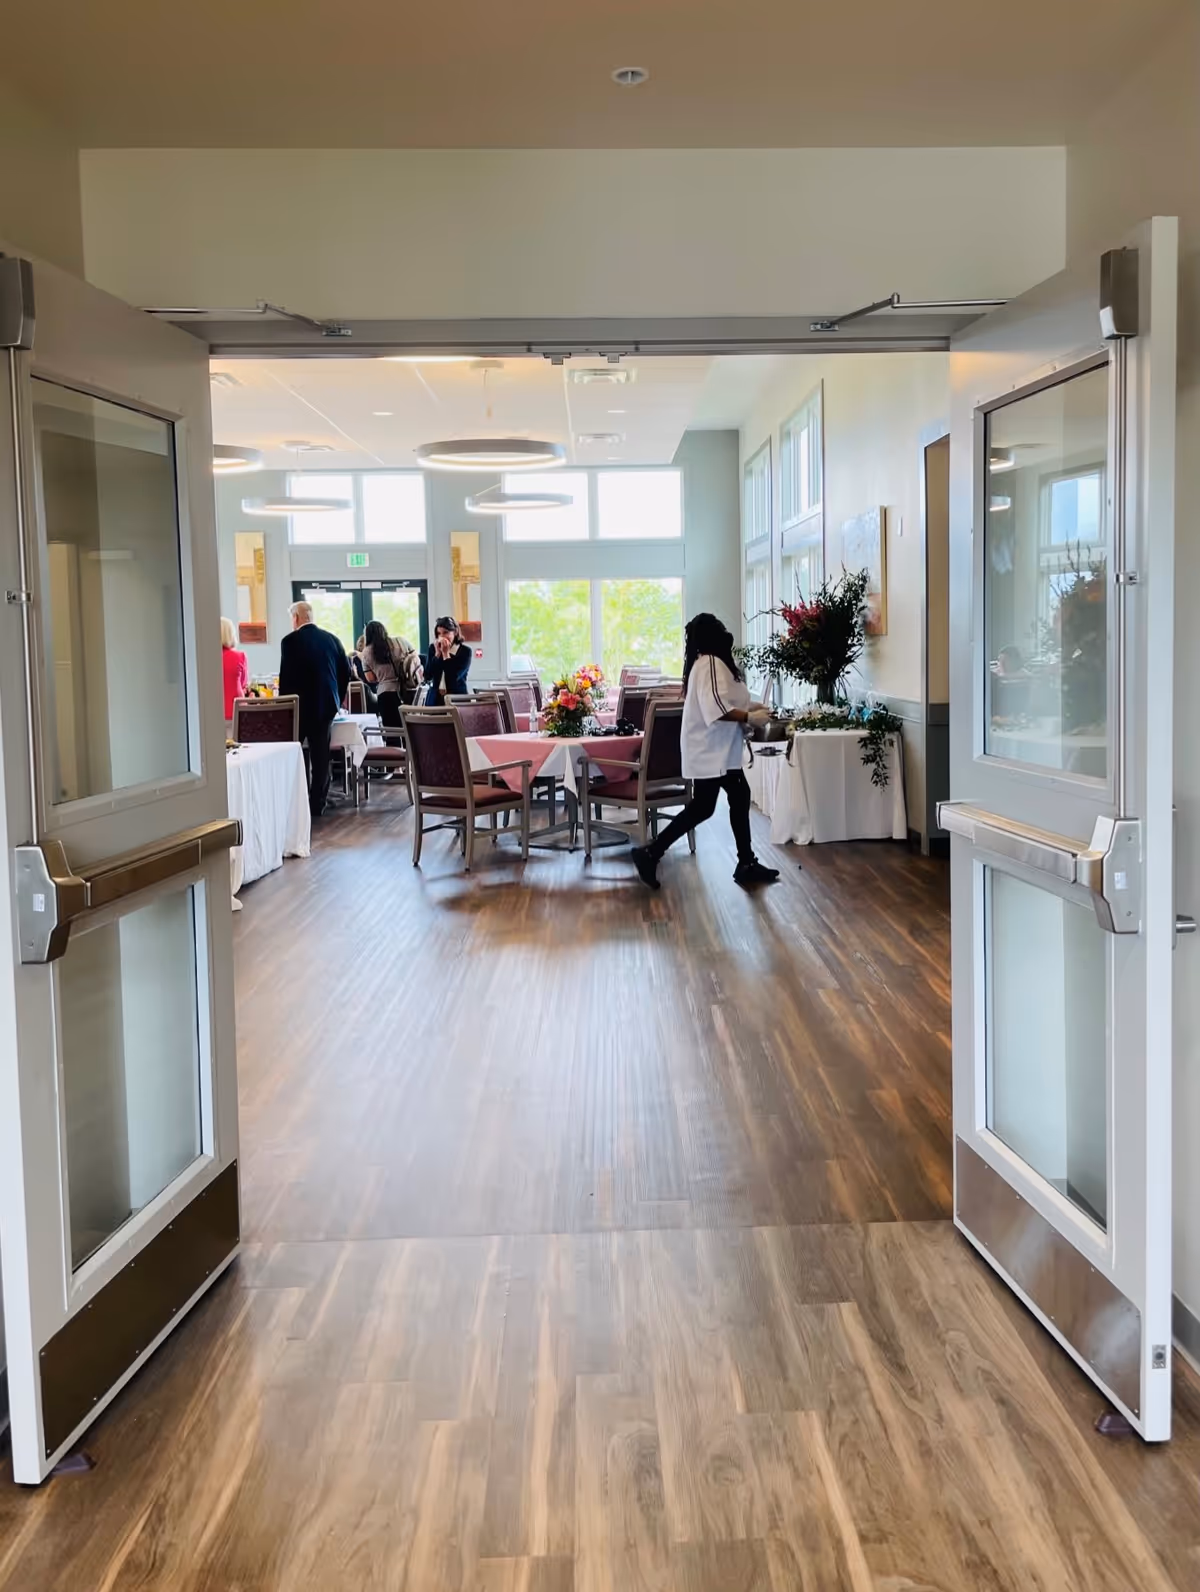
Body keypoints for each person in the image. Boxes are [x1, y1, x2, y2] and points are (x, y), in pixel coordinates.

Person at [630, 612, 779, 890]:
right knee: (708, 806)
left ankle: (744, 862)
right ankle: (651, 852)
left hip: (716, 751)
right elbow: (716, 709)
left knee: (724, 800)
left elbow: (723, 701)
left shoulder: (707, 663)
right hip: (712, 752)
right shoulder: (709, 663)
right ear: (713, 635)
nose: (726, 632)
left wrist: (750, 710)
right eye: (720, 628)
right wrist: (748, 718)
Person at [278, 600, 350, 818]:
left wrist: (284, 705)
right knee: (321, 756)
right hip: (325, 704)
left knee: (294, 753)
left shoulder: (289, 641)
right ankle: (317, 804)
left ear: (296, 618)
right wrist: (336, 698)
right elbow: (345, 672)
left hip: (298, 706)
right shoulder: (332, 639)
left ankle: (294, 801)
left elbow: (286, 677)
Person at [361, 618, 422, 727]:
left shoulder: (366, 652)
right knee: (410, 730)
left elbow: (371, 679)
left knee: (391, 732)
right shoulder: (400, 641)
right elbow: (415, 660)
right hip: (407, 690)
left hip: (386, 693)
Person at [424, 615, 471, 703]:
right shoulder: (432, 648)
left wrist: (446, 655)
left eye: (446, 632)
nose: (442, 637)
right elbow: (428, 675)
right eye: (439, 633)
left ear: (455, 632)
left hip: (457, 699)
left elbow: (453, 677)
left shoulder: (465, 651)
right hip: (435, 699)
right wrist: (437, 655)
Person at [220, 616, 248, 721]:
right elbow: (243, 684)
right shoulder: (239, 656)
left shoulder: (205, 659)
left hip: (213, 712)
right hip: (237, 711)